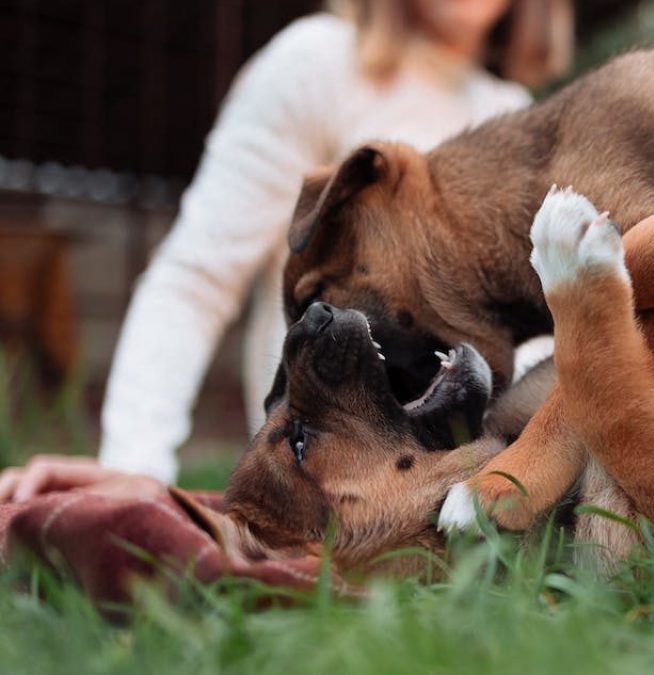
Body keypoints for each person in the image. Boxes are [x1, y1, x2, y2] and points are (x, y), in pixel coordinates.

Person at [0, 0, 573, 501]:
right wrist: (133, 464)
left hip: (482, 475)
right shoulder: (318, 64)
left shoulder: (512, 107)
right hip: (327, 471)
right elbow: (196, 279)